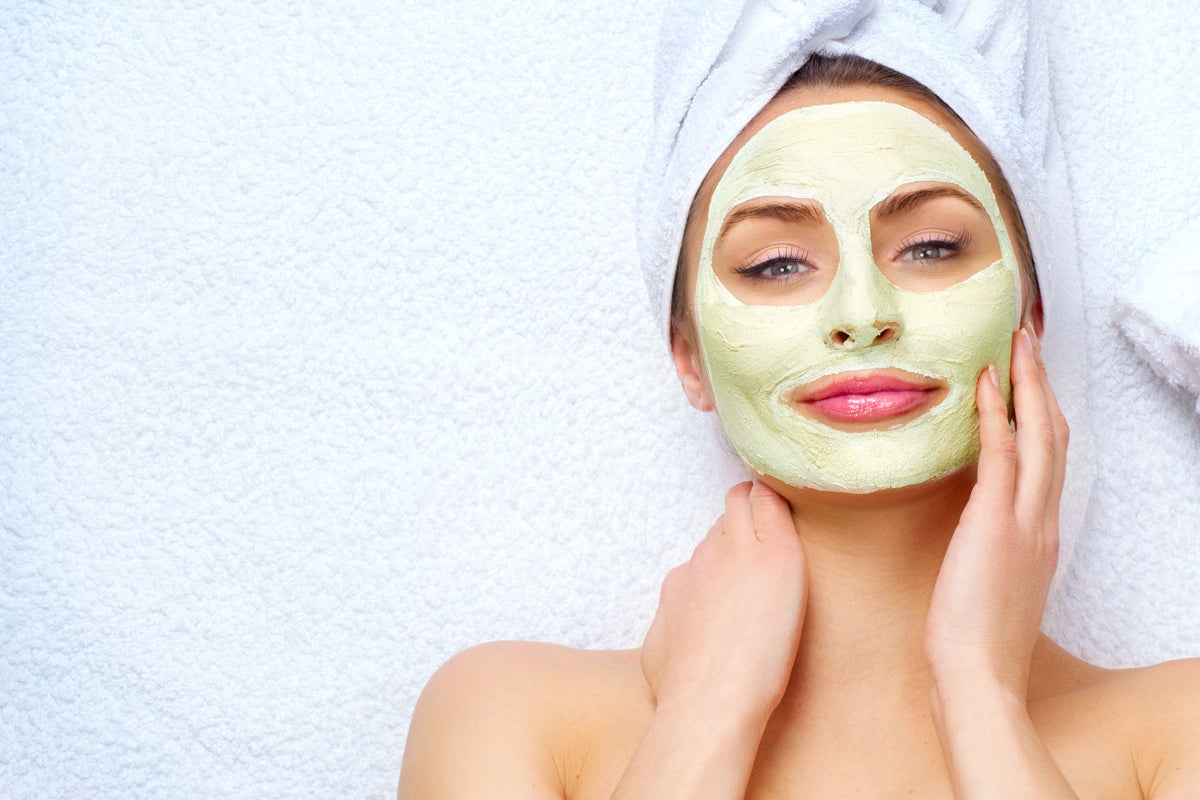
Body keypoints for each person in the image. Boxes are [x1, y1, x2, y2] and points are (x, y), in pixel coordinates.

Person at [398, 34, 1200, 800]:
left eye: (928, 246)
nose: (861, 313)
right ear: (689, 356)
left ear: (1030, 312)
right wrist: (705, 715)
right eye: (774, 263)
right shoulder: (512, 720)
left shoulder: (1174, 734)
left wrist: (978, 685)